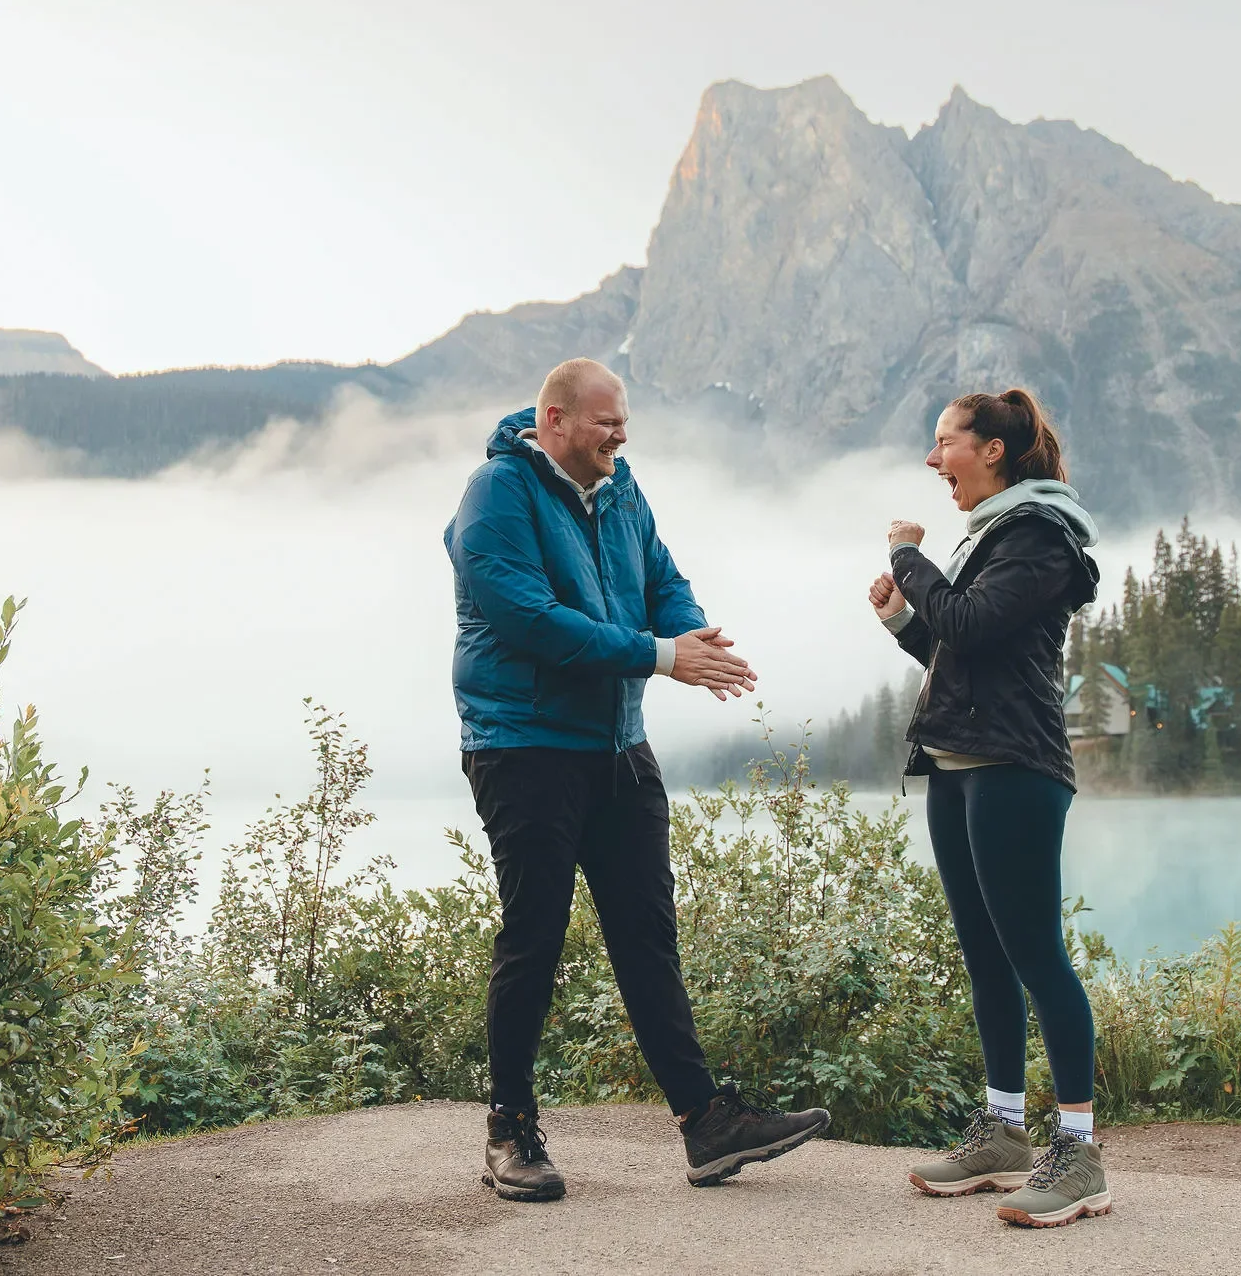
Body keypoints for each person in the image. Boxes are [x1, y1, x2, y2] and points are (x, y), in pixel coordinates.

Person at [446, 357, 830, 1201]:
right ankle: (510, 1129)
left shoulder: (623, 493)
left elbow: (661, 580)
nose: (621, 436)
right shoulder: (497, 495)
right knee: (535, 933)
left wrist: (695, 635)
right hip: (523, 746)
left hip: (617, 748)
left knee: (648, 937)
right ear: (553, 423)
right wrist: (663, 657)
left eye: (624, 421)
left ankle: (706, 1124)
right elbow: (533, 622)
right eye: (605, 422)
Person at [867, 387, 1109, 1229]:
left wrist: (907, 557)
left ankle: (1079, 1156)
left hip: (1017, 767)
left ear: (994, 450)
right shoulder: (995, 537)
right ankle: (1005, 1131)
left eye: (945, 443)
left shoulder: (1040, 535)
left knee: (1037, 956)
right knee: (985, 956)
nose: (934, 461)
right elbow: (956, 647)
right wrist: (905, 620)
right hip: (959, 767)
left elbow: (969, 625)